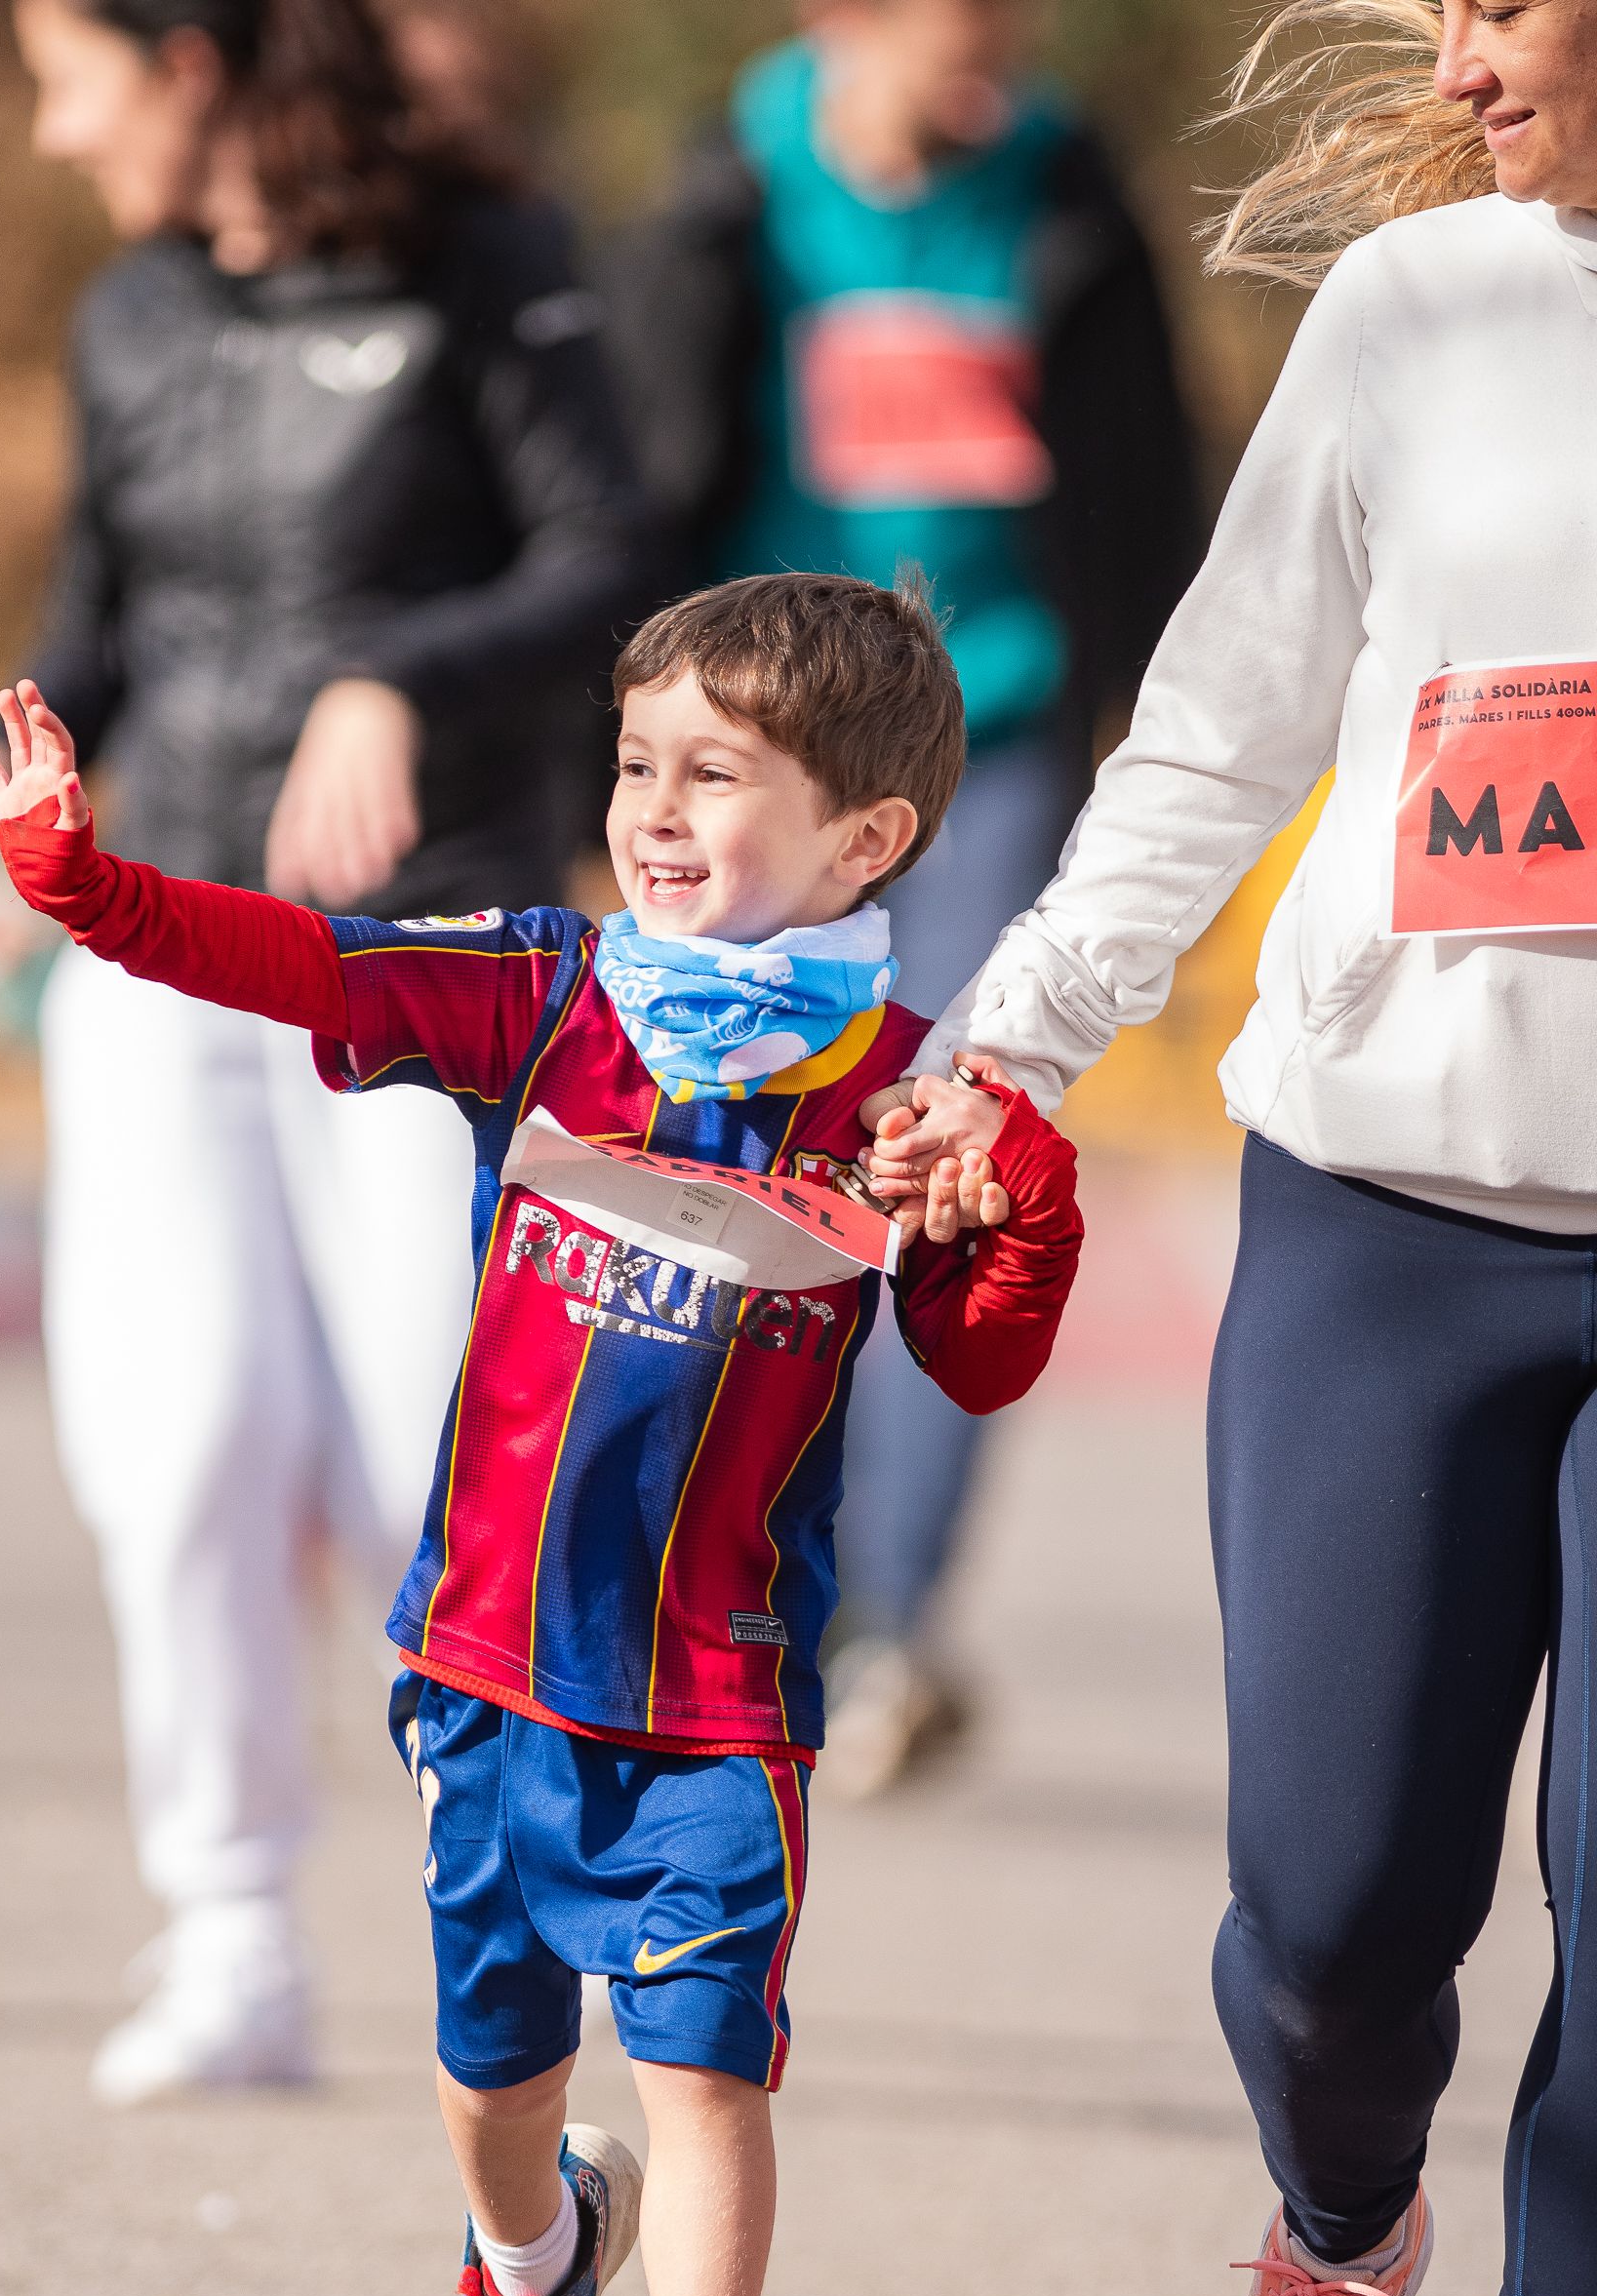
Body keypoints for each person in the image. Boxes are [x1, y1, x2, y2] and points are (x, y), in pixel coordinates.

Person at [0, 569, 1084, 2296]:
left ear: (868, 837)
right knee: (499, 2080)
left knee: (709, 2063)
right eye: (638, 762)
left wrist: (1020, 1199)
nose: (654, 807)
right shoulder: (554, 994)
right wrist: (83, 889)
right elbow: (301, 960)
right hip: (487, 1670)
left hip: (724, 1701)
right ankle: (530, 2263)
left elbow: (989, 1354)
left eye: (716, 777)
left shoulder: (915, 1100)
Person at [868, 0, 1597, 2296]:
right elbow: (1223, 720)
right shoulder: (1419, 308)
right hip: (1393, 1205)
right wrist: (1018, 1034)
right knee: (1333, 1911)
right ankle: (1333, 2228)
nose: (1455, 50)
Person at [0, 0, 644, 2105]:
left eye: (73, 78)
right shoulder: (129, 312)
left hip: (428, 967)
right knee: (180, 1447)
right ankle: (231, 1932)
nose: (53, 130)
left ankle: (540, 1915)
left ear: (194, 64)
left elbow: (612, 562)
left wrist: (394, 678)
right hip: (162, 951)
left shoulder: (490, 265)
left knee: (435, 1450)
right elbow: (102, 619)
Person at [602, 0, 1197, 1794]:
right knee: (735, 1162)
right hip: (754, 766)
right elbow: (647, 481)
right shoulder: (730, 189)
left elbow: (1150, 484)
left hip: (990, 745)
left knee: (946, 1141)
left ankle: (883, 1627)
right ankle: (713, 1576)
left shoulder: (1067, 189)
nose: (999, 44)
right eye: (963, 13)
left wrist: (1149, 745)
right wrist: (625, 781)